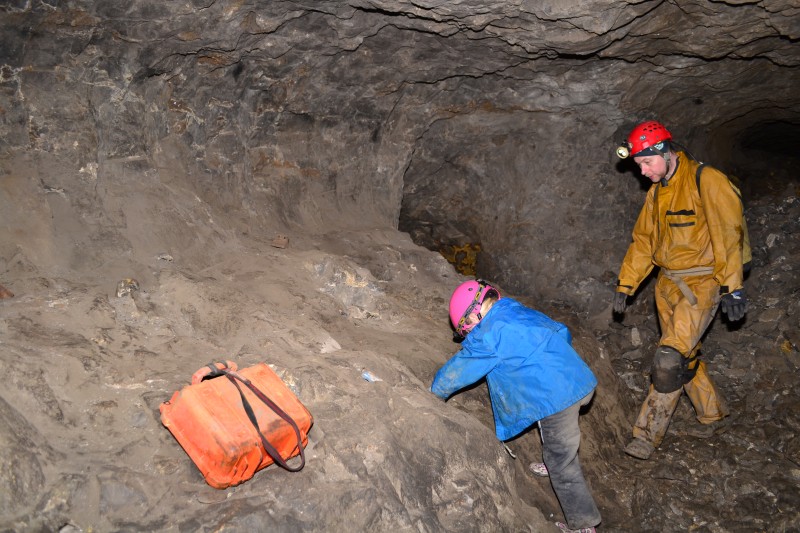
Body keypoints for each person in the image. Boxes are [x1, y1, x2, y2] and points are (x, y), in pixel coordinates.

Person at [613, 120, 748, 460]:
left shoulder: (707, 180)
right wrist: (627, 283)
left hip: (702, 283)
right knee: (684, 352)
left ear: (665, 152)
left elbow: (729, 234)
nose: (643, 171)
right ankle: (712, 413)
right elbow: (644, 242)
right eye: (639, 165)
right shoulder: (657, 192)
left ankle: (645, 435)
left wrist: (732, 286)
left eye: (646, 162)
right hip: (667, 284)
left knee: (669, 359)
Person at [431, 279, 601, 533]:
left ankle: (584, 524)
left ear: (473, 317)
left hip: (558, 398)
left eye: (467, 330)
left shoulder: (489, 334)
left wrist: (435, 392)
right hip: (578, 378)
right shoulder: (515, 310)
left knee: (561, 460)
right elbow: (561, 331)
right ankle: (555, 457)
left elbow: (462, 368)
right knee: (553, 427)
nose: (469, 334)